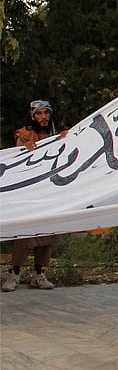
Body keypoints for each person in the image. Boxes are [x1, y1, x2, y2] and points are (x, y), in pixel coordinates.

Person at [2, 100, 68, 292]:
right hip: (29, 194)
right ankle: (14, 274)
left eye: (46, 113)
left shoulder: (55, 135)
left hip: (50, 192)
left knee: (47, 235)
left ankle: (39, 274)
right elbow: (19, 158)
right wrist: (25, 147)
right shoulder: (24, 134)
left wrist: (67, 139)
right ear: (33, 116)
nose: (44, 117)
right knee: (25, 235)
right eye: (39, 114)